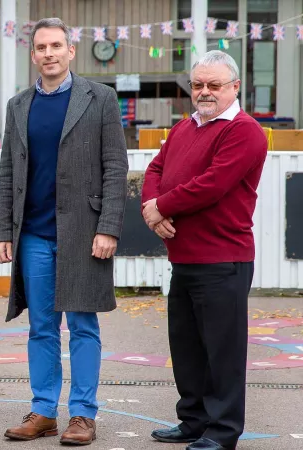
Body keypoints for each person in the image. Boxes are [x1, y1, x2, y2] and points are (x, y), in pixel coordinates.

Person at [0, 17, 128, 446]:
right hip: (33, 234)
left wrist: (108, 228)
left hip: (85, 234)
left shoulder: (100, 99)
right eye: (41, 47)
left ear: (71, 51)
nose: (48, 53)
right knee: (41, 328)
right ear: (32, 54)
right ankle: (44, 411)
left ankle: (83, 415)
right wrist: (2, 230)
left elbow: (115, 168)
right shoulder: (18, 105)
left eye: (56, 46)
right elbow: (9, 170)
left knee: (84, 326)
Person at [143, 50, 267, 450]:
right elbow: (155, 170)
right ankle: (193, 421)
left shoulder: (244, 130)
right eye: (198, 84)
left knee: (222, 352)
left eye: (214, 85)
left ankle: (223, 430)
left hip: (224, 258)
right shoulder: (185, 128)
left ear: (234, 87)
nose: (205, 92)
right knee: (188, 347)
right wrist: (151, 209)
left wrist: (162, 206)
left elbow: (213, 184)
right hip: (184, 257)